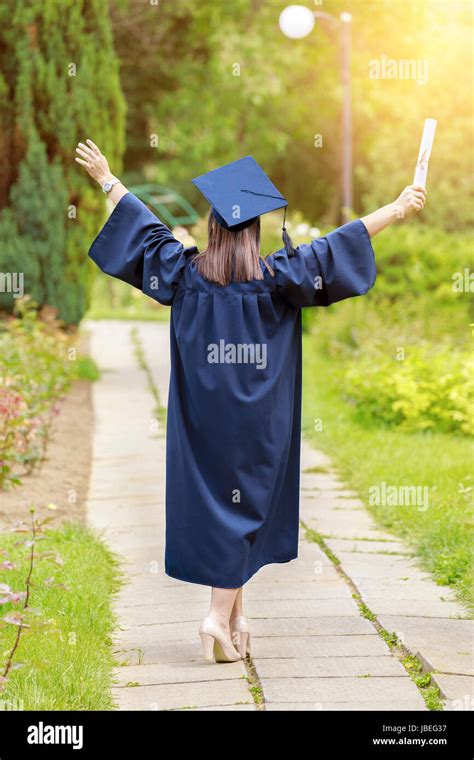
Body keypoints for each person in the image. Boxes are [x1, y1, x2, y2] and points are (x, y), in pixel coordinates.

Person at [76, 140, 426, 663]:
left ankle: (238, 617)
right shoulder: (279, 278)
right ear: (254, 230)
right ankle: (217, 617)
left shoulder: (185, 273)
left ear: (215, 227)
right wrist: (397, 209)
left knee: (225, 509)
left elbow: (148, 231)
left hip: (202, 421)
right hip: (261, 421)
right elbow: (337, 244)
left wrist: (108, 180)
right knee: (248, 509)